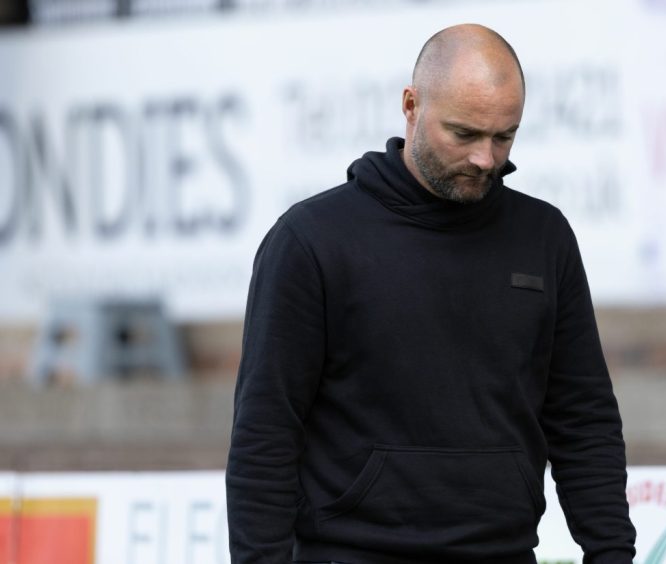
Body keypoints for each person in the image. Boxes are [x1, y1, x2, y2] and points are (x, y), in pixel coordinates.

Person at [226, 23, 637, 564]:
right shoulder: (311, 242)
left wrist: (611, 554)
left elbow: (583, 420)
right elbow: (264, 439)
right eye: (464, 134)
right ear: (411, 105)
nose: (486, 159)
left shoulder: (544, 237)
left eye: (504, 136)